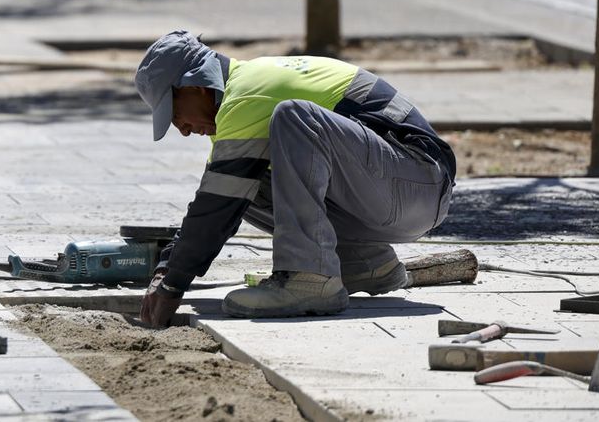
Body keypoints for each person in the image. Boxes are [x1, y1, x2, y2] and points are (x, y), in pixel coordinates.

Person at [133, 31, 456, 327]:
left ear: (196, 86)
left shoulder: (247, 95)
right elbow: (213, 206)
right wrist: (167, 269)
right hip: (394, 194)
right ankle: (363, 265)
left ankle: (309, 281)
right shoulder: (240, 104)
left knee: (295, 118)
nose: (183, 129)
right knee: (238, 184)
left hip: (419, 183)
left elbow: (214, 210)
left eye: (175, 114)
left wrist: (174, 282)